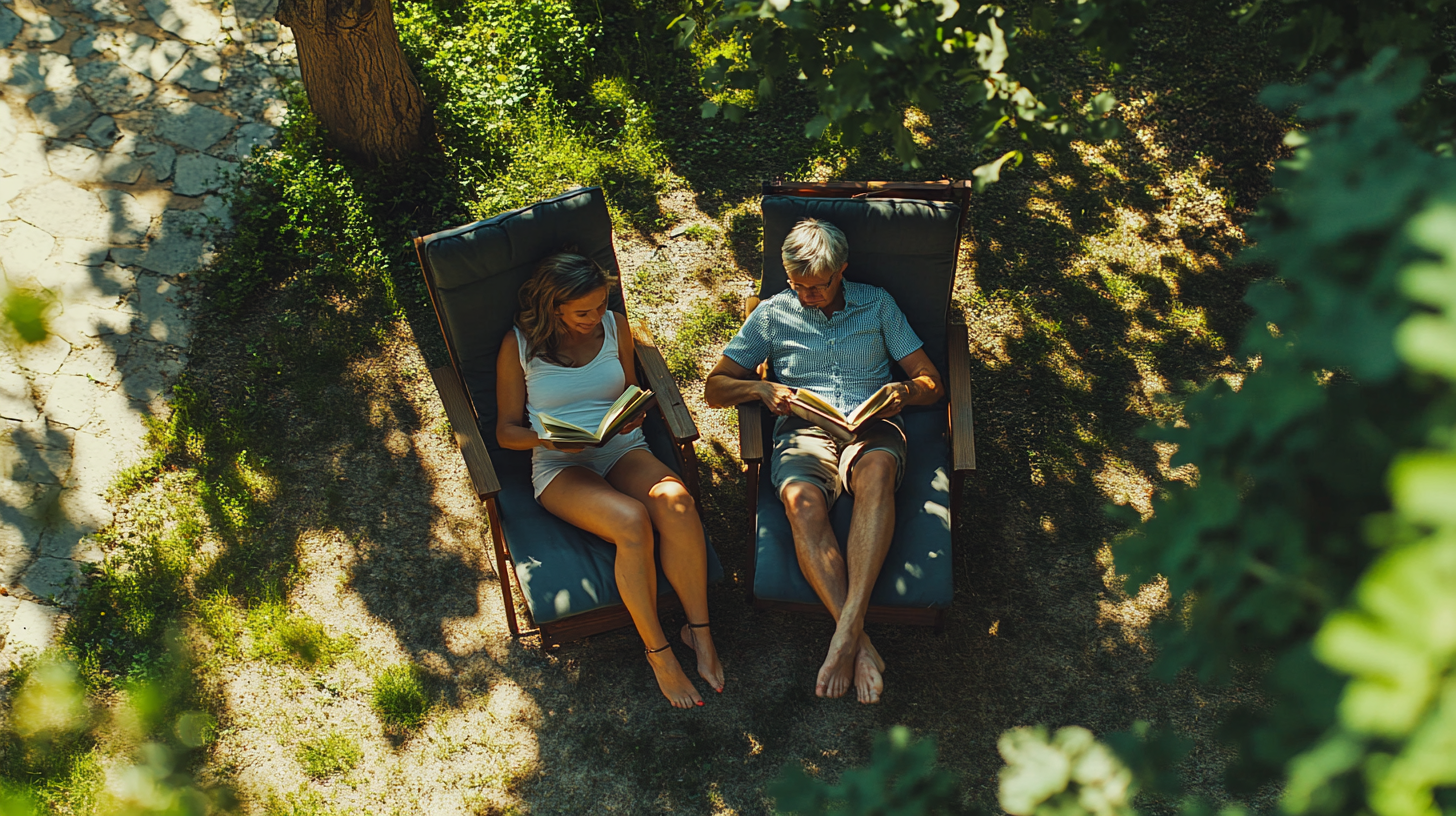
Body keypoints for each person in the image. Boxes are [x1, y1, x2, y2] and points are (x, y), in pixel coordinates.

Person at [704, 218, 943, 705]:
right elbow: (715, 387)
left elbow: (930, 380)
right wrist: (759, 387)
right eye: (798, 286)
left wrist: (904, 391)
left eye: (818, 286)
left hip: (870, 424)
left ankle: (846, 633)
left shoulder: (877, 304)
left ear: (842, 271)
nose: (808, 295)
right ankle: (858, 641)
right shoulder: (773, 314)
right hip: (805, 428)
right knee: (800, 501)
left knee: (876, 474)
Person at [496, 253, 723, 709]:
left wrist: (629, 415)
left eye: (601, 305)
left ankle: (700, 633)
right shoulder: (519, 345)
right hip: (561, 465)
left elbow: (631, 388)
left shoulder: (615, 326)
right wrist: (549, 440)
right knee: (631, 520)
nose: (595, 317)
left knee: (676, 503)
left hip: (622, 448)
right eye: (583, 311)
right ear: (553, 307)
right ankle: (659, 652)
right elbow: (505, 431)